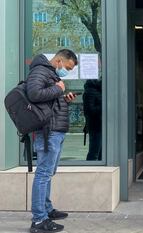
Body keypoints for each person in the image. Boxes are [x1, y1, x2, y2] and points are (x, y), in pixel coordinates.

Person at [27, 49, 78, 233]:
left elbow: (47, 100)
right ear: (59, 61)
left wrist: (64, 98)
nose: (68, 71)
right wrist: (58, 89)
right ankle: (39, 220)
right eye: (68, 67)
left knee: (48, 173)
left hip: (55, 130)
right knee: (43, 175)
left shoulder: (49, 73)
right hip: (48, 131)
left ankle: (47, 210)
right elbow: (33, 94)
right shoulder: (40, 70)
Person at [83, 79, 102, 161]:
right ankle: (90, 168)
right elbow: (89, 110)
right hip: (96, 126)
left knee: (101, 153)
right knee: (94, 152)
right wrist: (104, 106)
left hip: (100, 125)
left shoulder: (99, 91)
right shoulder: (90, 91)